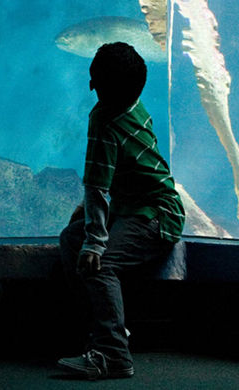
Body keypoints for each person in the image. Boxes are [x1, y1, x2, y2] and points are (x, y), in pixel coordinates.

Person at [57, 42, 184, 381]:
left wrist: (96, 242)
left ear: (96, 84)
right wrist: (88, 222)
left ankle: (113, 355)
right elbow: (118, 172)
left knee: (100, 263)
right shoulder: (133, 105)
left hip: (157, 214)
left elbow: (97, 184)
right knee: (70, 239)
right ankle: (101, 333)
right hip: (134, 207)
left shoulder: (105, 120)